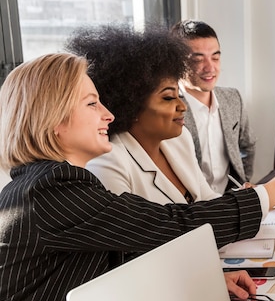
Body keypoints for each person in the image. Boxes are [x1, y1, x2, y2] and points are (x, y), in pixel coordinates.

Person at [0, 53, 275, 301]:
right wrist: (274, 191)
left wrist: (200, 282)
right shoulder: (48, 189)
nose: (109, 115)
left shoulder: (57, 183)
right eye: (92, 104)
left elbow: (122, 258)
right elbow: (169, 224)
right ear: (54, 119)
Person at [65, 24, 220, 205]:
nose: (182, 106)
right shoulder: (108, 163)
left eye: (179, 95)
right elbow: (141, 230)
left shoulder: (181, 139)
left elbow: (208, 200)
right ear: (132, 106)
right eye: (169, 98)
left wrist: (245, 199)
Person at [170, 19, 255, 193]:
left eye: (215, 57)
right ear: (176, 63)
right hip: (190, 207)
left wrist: (242, 183)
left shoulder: (233, 98)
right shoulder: (167, 106)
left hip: (230, 199)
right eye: (198, 60)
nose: (210, 67)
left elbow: (247, 145)